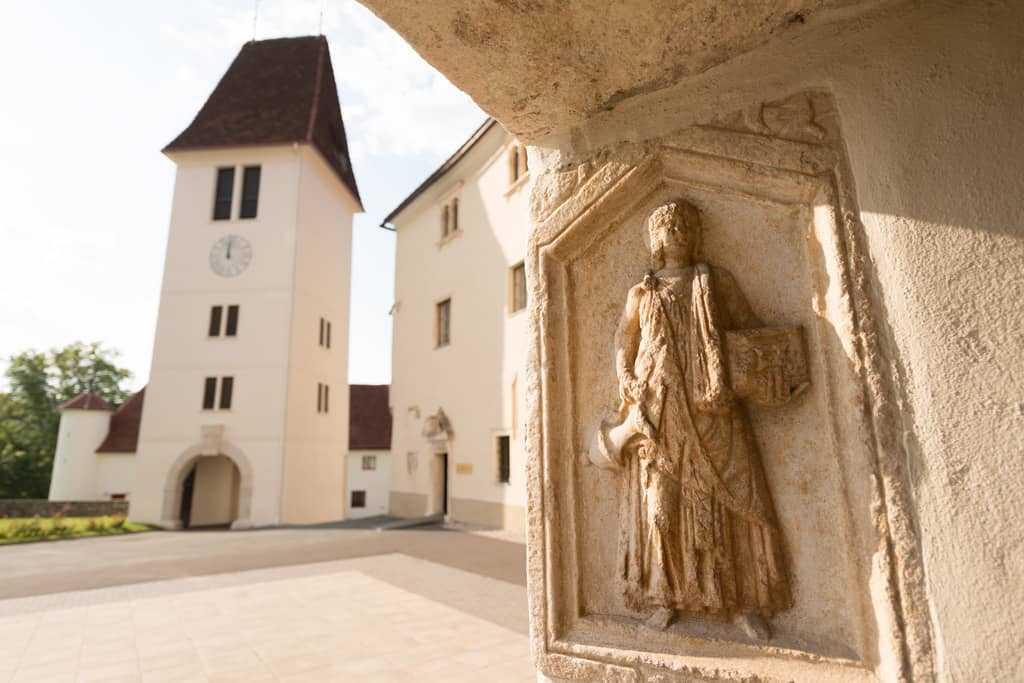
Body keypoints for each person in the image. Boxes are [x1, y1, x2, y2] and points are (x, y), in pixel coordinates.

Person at [590, 199, 792, 639]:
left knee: (723, 505)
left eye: (685, 226)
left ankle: (740, 602)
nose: (678, 232)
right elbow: (623, 340)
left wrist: (768, 367)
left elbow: (751, 333)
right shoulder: (642, 292)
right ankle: (665, 597)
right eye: (669, 227)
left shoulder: (715, 282)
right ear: (656, 240)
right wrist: (626, 376)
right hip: (659, 412)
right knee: (662, 509)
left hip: (711, 409)